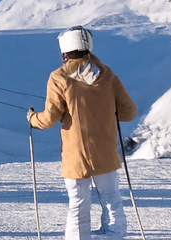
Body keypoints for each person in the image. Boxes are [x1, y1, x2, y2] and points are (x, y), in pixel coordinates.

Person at [27, 26, 137, 240]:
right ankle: (114, 235)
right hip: (105, 152)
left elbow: (49, 118)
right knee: (112, 199)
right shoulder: (107, 75)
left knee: (78, 204)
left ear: (64, 52)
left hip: (76, 155)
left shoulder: (59, 77)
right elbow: (129, 112)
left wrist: (32, 118)